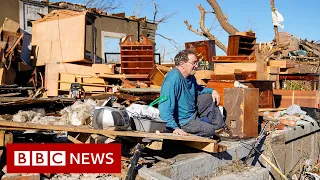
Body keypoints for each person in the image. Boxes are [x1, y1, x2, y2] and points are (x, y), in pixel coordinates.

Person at [158, 50, 230, 137]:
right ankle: (203, 131)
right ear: (182, 64)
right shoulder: (172, 79)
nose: (196, 66)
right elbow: (164, 108)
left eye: (197, 63)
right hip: (182, 122)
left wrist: (212, 91)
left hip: (192, 113)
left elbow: (198, 89)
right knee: (209, 130)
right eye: (194, 63)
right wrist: (175, 128)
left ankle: (220, 128)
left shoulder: (190, 77)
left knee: (208, 98)